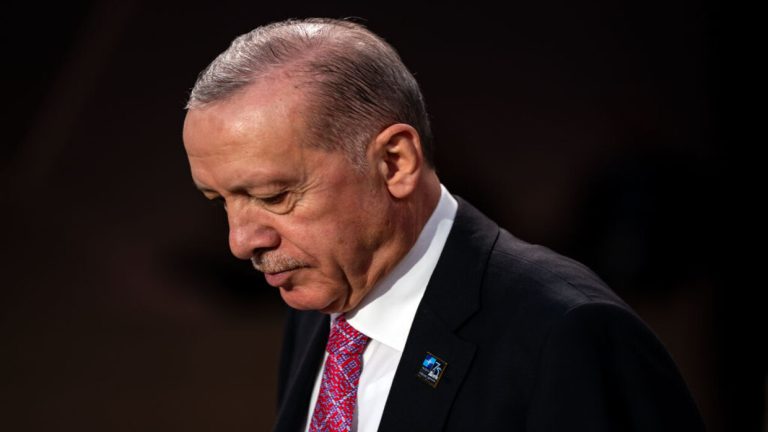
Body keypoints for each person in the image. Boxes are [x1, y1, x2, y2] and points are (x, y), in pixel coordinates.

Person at [182, 17, 704, 432]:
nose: (240, 242)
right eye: (220, 201)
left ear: (395, 163)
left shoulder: (567, 335)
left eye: (273, 196)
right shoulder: (322, 304)